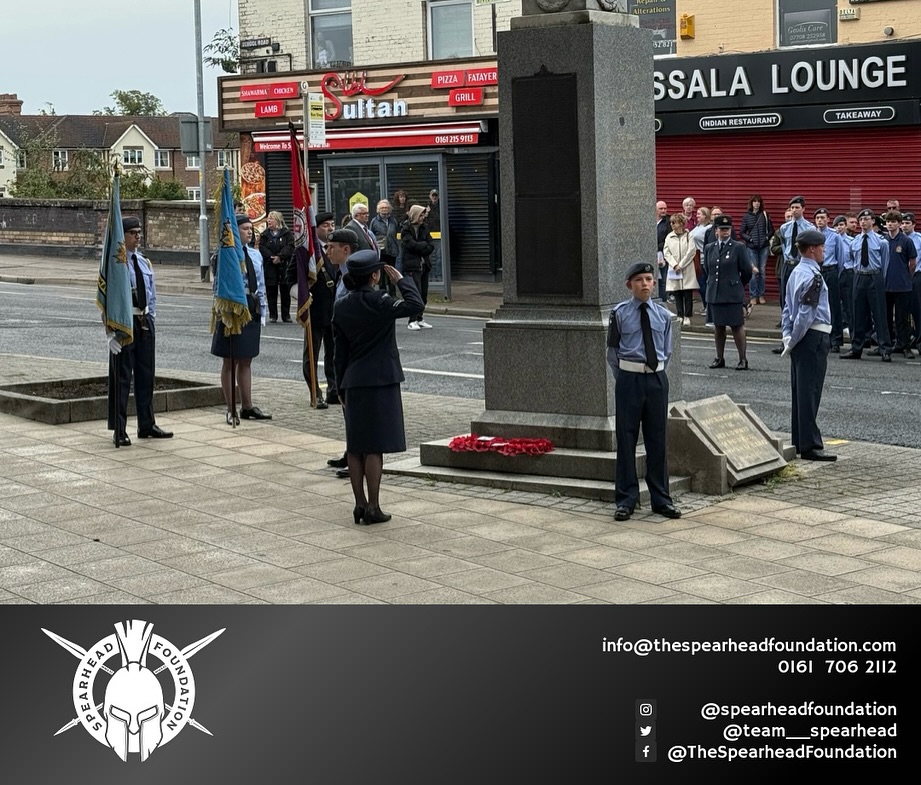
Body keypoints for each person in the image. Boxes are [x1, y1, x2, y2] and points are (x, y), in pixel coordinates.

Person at [332, 252, 424, 525]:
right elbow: (415, 304)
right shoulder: (381, 301)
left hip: (353, 380)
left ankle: (359, 504)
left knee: (355, 444)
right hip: (381, 379)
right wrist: (402, 280)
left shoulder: (341, 305)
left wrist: (339, 384)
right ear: (375, 275)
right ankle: (373, 506)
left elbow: (339, 351)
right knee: (374, 446)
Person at [606, 262, 681, 522]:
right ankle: (626, 499)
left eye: (649, 279)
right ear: (630, 285)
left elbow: (667, 350)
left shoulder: (663, 315)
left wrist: (654, 372)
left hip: (656, 380)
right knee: (626, 440)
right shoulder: (619, 313)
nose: (645, 284)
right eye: (639, 280)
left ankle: (661, 499)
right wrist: (627, 375)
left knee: (658, 440)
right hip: (629, 379)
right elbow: (612, 353)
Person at [106, 216, 173, 445]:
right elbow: (107, 298)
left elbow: (151, 293)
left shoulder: (144, 262)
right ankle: (120, 429)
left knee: (146, 376)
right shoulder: (115, 263)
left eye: (138, 232)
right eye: (132, 232)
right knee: (122, 378)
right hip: (125, 323)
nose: (137, 236)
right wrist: (109, 333)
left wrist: (151, 318)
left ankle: (146, 424)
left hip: (144, 322)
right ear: (122, 236)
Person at [780, 229, 836, 462]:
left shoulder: (796, 272)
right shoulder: (814, 276)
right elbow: (806, 314)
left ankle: (800, 440)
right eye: (822, 247)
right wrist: (793, 341)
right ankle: (810, 445)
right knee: (810, 391)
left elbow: (786, 308)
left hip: (801, 338)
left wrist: (787, 336)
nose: (824, 250)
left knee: (801, 391)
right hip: (812, 337)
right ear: (812, 249)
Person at [211, 214, 271, 424]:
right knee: (230, 359)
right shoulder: (225, 254)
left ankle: (247, 405)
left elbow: (260, 285)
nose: (249, 232)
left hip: (251, 309)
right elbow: (218, 284)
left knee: (246, 359)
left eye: (250, 228)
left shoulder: (255, 255)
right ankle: (230, 408)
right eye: (245, 228)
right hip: (232, 311)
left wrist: (262, 311)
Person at [322, 227, 360, 477]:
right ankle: (351, 454)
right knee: (348, 408)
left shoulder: (354, 276)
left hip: (351, 349)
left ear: (345, 250)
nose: (327, 250)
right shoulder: (342, 272)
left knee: (355, 410)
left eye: (331, 247)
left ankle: (358, 459)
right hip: (342, 347)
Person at [841, 208, 892, 362]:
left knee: (879, 315)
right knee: (857, 314)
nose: (863, 222)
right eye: (861, 220)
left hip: (874, 277)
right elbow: (850, 259)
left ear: (873, 221)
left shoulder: (881, 242)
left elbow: (885, 263)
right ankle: (856, 347)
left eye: (867, 219)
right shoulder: (854, 241)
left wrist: (878, 278)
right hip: (859, 277)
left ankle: (885, 348)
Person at [704, 214, 752, 370]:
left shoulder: (738, 247)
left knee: (737, 326)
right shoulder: (709, 247)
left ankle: (742, 359)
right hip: (715, 293)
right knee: (718, 327)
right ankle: (719, 358)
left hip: (732, 294)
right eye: (722, 229)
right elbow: (708, 270)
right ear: (716, 230)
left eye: (728, 229)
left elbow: (746, 271)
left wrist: (737, 284)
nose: (725, 232)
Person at [306, 212, 338, 408]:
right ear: (316, 228)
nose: (330, 228)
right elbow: (292, 278)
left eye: (332, 224)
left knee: (334, 354)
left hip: (334, 311)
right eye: (326, 225)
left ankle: (333, 390)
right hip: (315, 309)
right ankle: (315, 392)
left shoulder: (334, 248)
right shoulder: (308, 251)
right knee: (311, 354)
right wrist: (301, 297)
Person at [882, 210, 916, 358]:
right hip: (885, 285)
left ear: (899, 224)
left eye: (894, 221)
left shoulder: (906, 241)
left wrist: (906, 276)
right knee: (886, 317)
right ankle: (888, 344)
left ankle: (905, 345)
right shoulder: (882, 240)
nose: (890, 224)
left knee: (902, 318)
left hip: (902, 285)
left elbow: (912, 262)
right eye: (888, 221)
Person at [401, 204, 435, 330]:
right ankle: (412, 320)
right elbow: (411, 245)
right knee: (415, 293)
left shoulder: (424, 228)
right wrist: (423, 245)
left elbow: (431, 245)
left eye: (423, 215)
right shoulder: (405, 229)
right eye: (420, 215)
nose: (422, 217)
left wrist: (422, 246)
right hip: (411, 266)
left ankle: (420, 318)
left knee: (423, 294)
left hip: (424, 265)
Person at [259, 210, 295, 323]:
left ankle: (286, 315)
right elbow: (262, 248)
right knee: (271, 290)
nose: (269, 221)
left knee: (285, 291)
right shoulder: (264, 235)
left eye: (272, 218)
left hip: (284, 265)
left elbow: (290, 246)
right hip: (270, 265)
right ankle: (273, 315)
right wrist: (271, 257)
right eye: (268, 218)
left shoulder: (287, 233)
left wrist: (280, 257)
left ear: (278, 220)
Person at [663, 213, 697, 326]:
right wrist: (674, 264)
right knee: (677, 293)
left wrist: (681, 265)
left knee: (687, 293)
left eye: (674, 222)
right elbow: (666, 252)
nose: (672, 225)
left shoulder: (689, 236)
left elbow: (691, 251)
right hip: (674, 269)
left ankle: (687, 316)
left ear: (681, 223)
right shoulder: (669, 237)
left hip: (686, 268)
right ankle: (679, 315)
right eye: (671, 222)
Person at [739, 194, 773, 305]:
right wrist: (750, 239)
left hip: (764, 247)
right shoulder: (746, 216)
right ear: (751, 203)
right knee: (754, 272)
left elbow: (771, 230)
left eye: (758, 201)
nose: (757, 203)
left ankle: (761, 295)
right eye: (755, 201)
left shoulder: (765, 215)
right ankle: (753, 296)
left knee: (762, 271)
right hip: (751, 247)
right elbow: (742, 232)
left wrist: (766, 237)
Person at [370, 199, 399, 295]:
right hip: (381, 252)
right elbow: (371, 235)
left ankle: (393, 294)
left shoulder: (393, 220)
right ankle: (382, 293)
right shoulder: (374, 221)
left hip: (392, 251)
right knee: (381, 274)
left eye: (386, 208)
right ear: (378, 210)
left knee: (392, 273)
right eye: (382, 208)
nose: (384, 210)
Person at [901, 212, 921, 349]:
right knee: (902, 312)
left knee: (917, 310)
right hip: (900, 278)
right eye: (903, 223)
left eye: (908, 223)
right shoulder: (898, 238)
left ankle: (919, 341)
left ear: (913, 224)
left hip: (915, 277)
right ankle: (903, 341)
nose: (904, 226)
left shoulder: (919, 239)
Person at [690, 206, 712, 314]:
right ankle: (705, 306)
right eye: (697, 213)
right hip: (696, 259)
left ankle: (708, 306)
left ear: (705, 215)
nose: (697, 215)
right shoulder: (698, 226)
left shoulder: (709, 228)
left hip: (703, 259)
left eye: (699, 214)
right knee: (700, 284)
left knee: (703, 284)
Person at [654, 200, 669, 301]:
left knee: (663, 281)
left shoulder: (668, 222)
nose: (663, 210)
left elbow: (668, 239)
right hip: (650, 253)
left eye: (665, 208)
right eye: (661, 208)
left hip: (662, 255)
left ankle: (663, 302)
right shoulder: (649, 220)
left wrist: (656, 246)